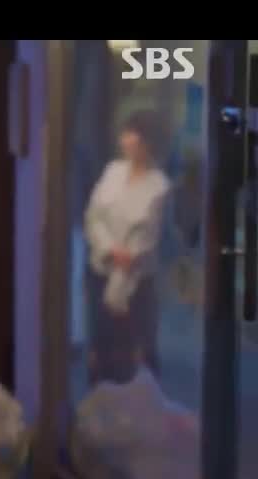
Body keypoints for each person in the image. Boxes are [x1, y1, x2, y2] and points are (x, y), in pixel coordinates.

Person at [83, 110, 169, 384]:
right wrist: (110, 249)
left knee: (136, 354)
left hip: (136, 281)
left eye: (133, 135)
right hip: (101, 270)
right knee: (101, 348)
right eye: (126, 133)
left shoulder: (159, 186)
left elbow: (148, 236)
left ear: (148, 142)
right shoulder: (113, 172)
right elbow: (93, 216)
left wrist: (126, 261)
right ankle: (100, 401)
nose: (126, 140)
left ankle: (139, 405)